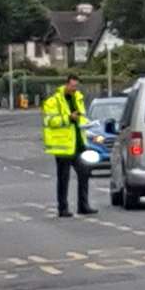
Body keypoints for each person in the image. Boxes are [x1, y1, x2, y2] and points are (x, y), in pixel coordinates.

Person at [42, 74, 97, 217]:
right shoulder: (53, 101)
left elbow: (81, 118)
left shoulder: (78, 98)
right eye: (72, 86)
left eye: (76, 86)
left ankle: (83, 205)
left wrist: (88, 125)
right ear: (66, 85)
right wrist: (68, 118)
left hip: (78, 144)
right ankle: (63, 208)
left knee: (84, 172)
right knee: (63, 178)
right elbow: (50, 121)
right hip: (63, 146)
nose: (74, 89)